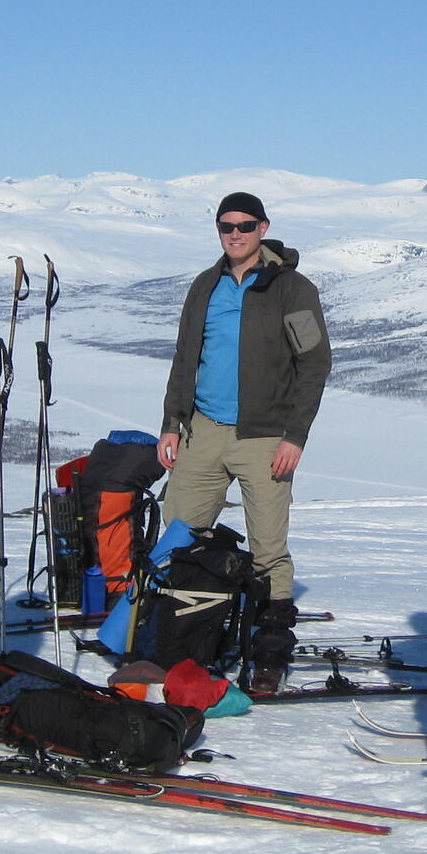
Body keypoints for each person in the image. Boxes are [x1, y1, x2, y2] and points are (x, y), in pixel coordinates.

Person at [156, 192, 332, 695]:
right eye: (226, 226)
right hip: (204, 429)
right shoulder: (205, 285)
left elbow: (314, 363)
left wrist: (294, 436)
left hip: (265, 436)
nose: (235, 234)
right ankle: (185, 639)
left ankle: (269, 651)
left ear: (263, 228)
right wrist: (172, 422)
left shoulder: (290, 288)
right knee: (179, 535)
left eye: (245, 225)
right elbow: (184, 358)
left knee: (268, 550)